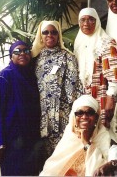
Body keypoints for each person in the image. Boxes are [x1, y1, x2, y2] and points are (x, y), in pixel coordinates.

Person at [0, 40, 41, 176]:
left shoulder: (31, 77)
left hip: (31, 140)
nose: (22, 53)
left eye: (25, 51)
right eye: (17, 51)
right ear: (11, 56)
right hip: (12, 142)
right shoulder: (4, 77)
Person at [31, 20, 83, 160]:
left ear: (58, 35)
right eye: (46, 32)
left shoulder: (68, 57)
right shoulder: (34, 58)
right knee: (43, 160)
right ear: (40, 35)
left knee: (62, 158)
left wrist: (76, 115)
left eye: (54, 32)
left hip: (62, 116)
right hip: (41, 117)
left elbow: (75, 87)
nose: (50, 35)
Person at [74, 7, 117, 127]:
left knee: (102, 130)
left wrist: (110, 98)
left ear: (97, 22)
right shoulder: (79, 43)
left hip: (102, 96)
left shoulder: (105, 42)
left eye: (91, 19)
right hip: (83, 97)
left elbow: (115, 73)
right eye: (83, 20)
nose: (86, 23)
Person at [39, 95, 110, 176]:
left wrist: (87, 143)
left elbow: (100, 171)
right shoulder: (70, 136)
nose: (84, 117)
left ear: (96, 117)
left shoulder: (103, 136)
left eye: (90, 113)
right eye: (79, 113)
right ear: (74, 116)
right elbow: (52, 169)